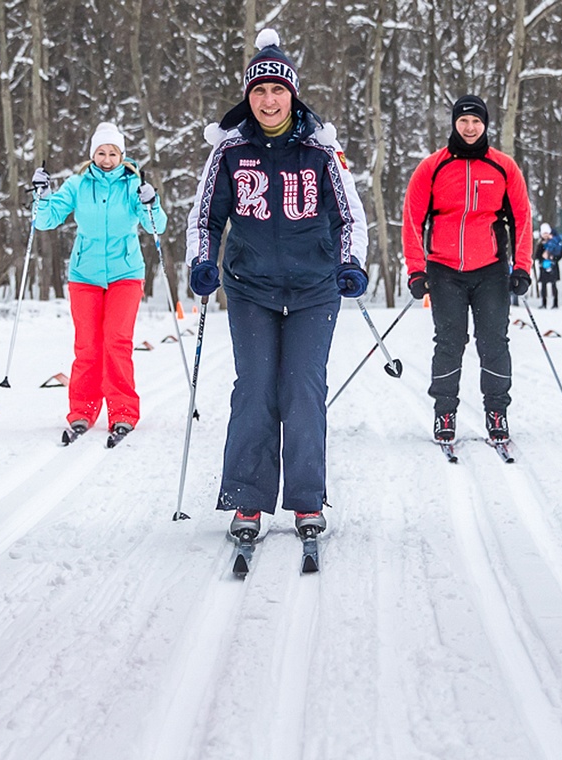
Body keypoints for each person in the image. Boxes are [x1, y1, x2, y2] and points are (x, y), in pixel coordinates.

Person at [185, 29, 368, 540]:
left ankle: (307, 500)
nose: (269, 100)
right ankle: (247, 500)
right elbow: (204, 220)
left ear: (293, 94)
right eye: (259, 91)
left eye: (278, 90)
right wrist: (203, 264)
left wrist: (351, 263)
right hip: (249, 288)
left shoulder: (320, 151)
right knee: (256, 389)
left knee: (302, 388)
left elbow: (350, 218)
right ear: (249, 96)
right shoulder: (229, 151)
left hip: (315, 289)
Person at [402, 94, 533, 444]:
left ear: (485, 124)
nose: (470, 128)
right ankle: (444, 411)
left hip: (491, 269)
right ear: (454, 124)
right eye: (464, 121)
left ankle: (496, 411)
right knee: (449, 342)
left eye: (476, 121)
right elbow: (412, 220)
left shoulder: (504, 167)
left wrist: (521, 267)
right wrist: (416, 270)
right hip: (444, 269)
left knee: (494, 342)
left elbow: (522, 218)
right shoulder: (433, 167)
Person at [33, 122, 167, 444]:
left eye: (113, 152)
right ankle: (83, 410)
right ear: (93, 153)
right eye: (101, 152)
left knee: (116, 342)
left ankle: (123, 412)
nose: (107, 158)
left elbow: (155, 226)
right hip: (85, 275)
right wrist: (43, 195)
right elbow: (45, 220)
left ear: (122, 155)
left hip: (125, 273)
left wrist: (152, 201)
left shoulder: (133, 184)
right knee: (88, 346)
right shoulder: (78, 184)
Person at [536, 222, 562, 308]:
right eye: (544, 233)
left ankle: (555, 303)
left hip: (553, 266)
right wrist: (542, 258)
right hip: (543, 267)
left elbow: (561, 254)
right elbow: (537, 255)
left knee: (553, 285)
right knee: (543, 286)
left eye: (546, 233)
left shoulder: (555, 243)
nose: (545, 235)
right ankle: (544, 303)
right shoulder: (541, 243)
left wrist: (553, 258)